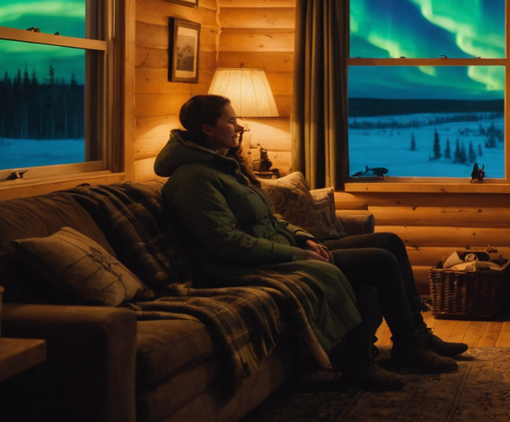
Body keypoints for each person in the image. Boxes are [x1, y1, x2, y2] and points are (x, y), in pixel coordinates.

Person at [155, 95, 462, 391]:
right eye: (230, 120)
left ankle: (418, 334)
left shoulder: (224, 167)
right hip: (250, 264)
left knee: (388, 241)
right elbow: (227, 243)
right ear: (207, 129)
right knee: (378, 262)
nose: (239, 127)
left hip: (281, 247)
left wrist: (306, 237)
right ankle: (404, 347)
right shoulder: (196, 178)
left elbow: (271, 218)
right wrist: (297, 254)